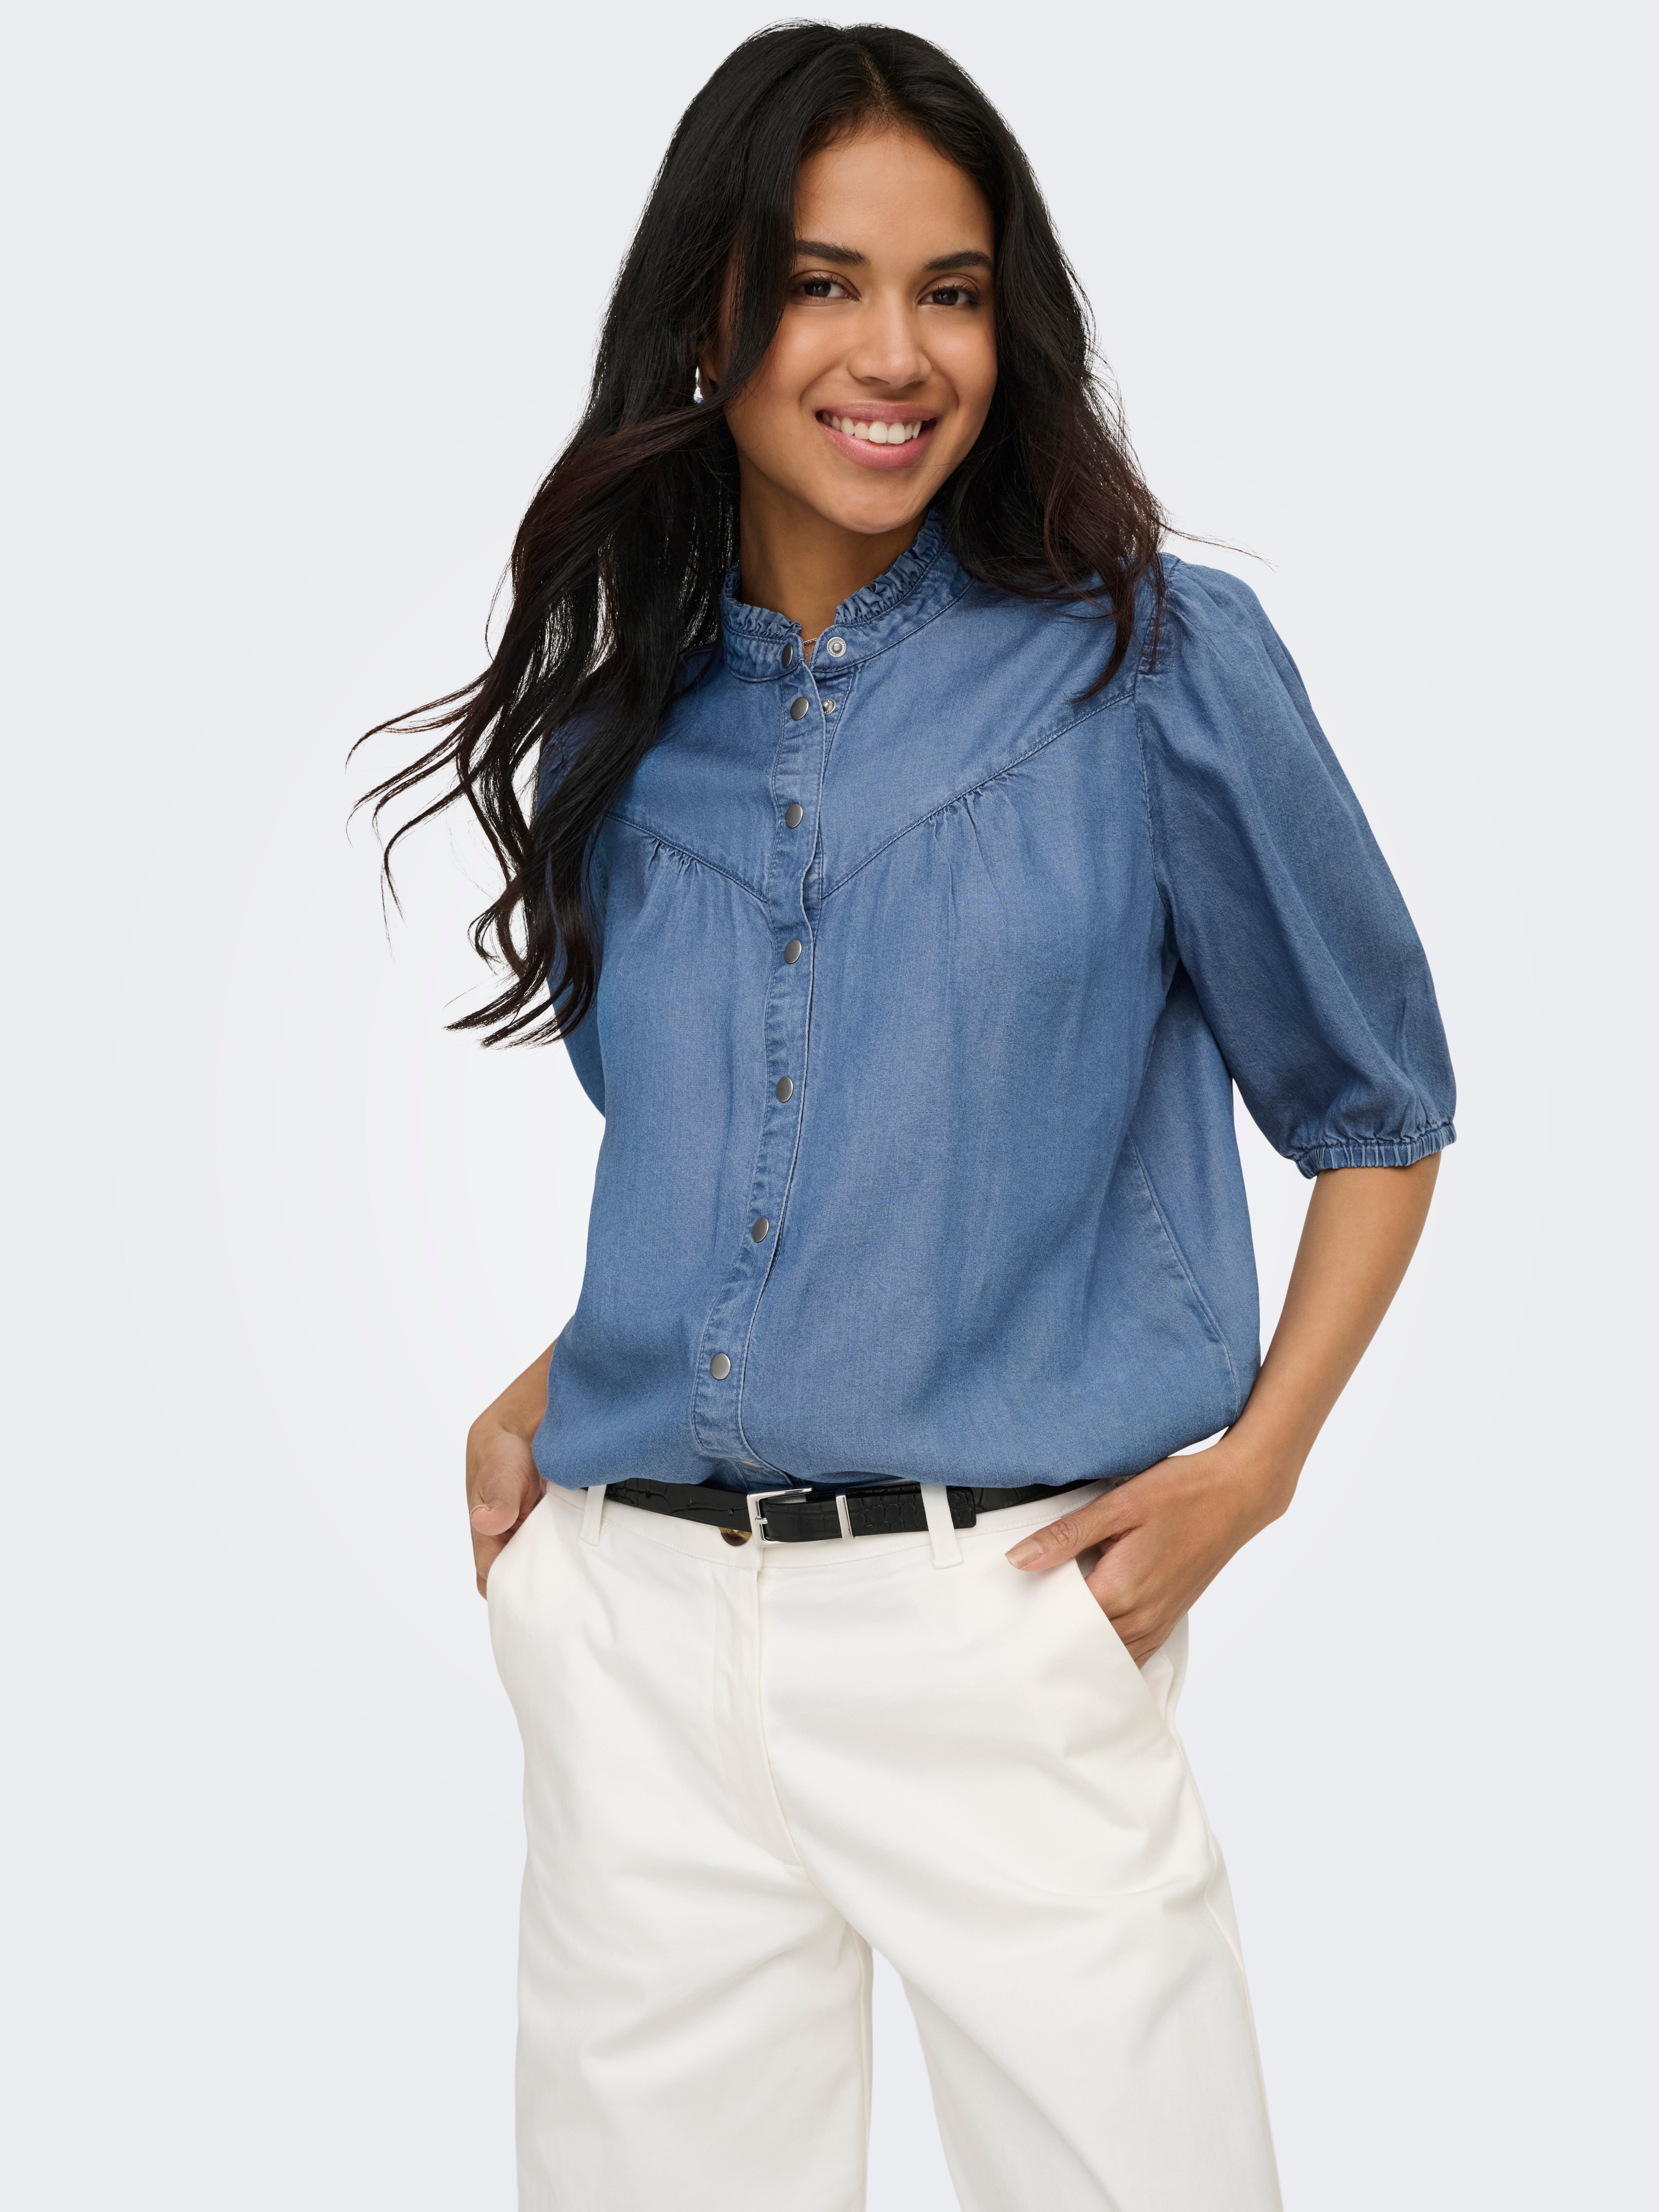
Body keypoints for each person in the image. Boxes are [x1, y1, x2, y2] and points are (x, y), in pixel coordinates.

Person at [362, 23, 1453, 2211]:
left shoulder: (1153, 659)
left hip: (1002, 1624)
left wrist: (1254, 1470)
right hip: (636, 1635)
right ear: (710, 319)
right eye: (823, 283)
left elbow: (1373, 1109)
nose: (895, 353)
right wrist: (554, 1384)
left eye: (948, 289)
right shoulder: (623, 721)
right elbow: (734, 1158)